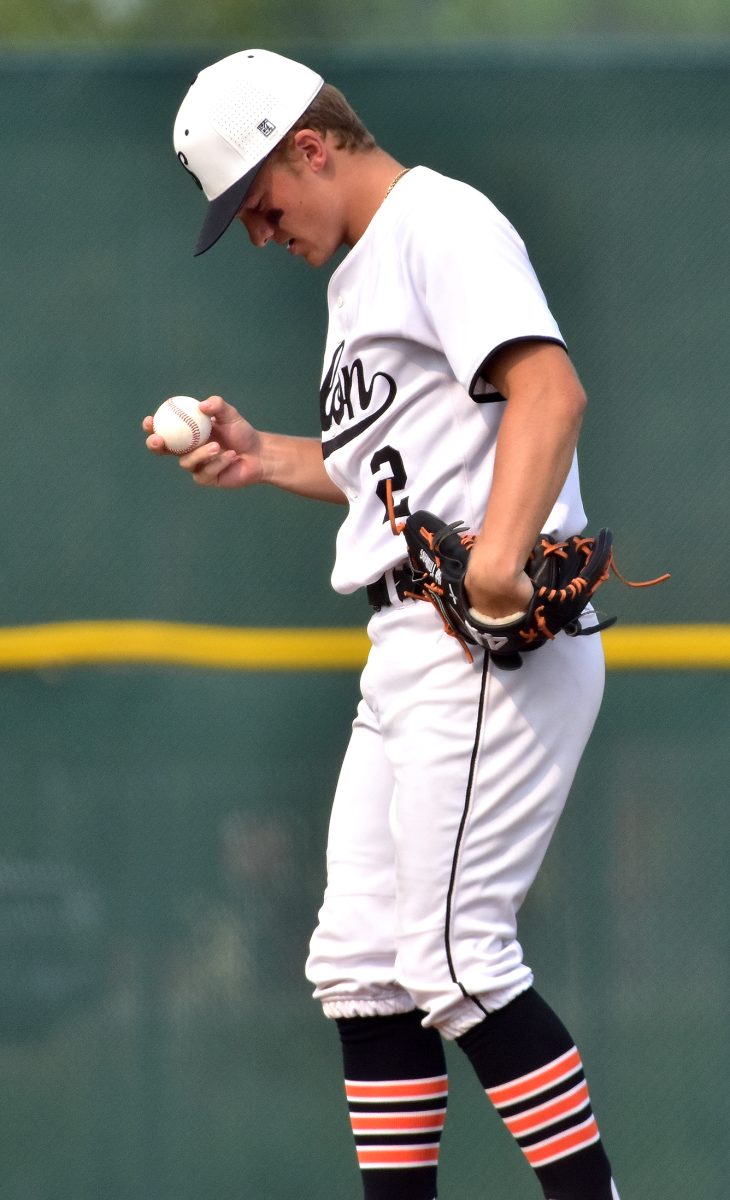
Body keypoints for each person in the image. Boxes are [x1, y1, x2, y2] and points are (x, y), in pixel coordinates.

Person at [145, 48, 620, 1200]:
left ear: (310, 145)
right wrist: (264, 457)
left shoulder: (437, 225)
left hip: (482, 648)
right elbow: (386, 478)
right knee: (360, 968)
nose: (258, 232)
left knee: (456, 960)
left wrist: (502, 557)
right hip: (404, 644)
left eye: (258, 203)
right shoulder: (355, 284)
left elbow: (548, 390)